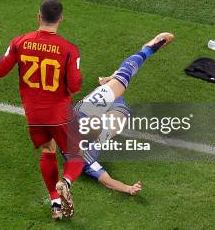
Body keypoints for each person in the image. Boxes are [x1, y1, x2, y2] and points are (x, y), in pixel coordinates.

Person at [0, 0, 84, 220]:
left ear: (38, 16)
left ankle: (56, 205)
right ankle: (65, 183)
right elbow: (75, 87)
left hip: (34, 115)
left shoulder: (21, 42)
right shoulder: (69, 50)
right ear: (61, 19)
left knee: (48, 151)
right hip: (58, 113)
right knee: (78, 152)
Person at [72, 32, 175, 196]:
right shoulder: (85, 159)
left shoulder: (76, 118)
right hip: (107, 122)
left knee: (124, 76)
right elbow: (106, 180)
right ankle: (108, 83)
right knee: (122, 113)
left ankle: (147, 50)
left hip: (86, 110)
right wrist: (128, 188)